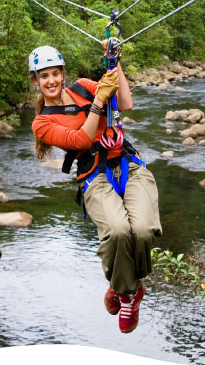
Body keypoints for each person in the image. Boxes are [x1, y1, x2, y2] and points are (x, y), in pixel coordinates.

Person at [30, 44, 162, 334]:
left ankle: (122, 288)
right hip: (94, 173)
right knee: (117, 231)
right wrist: (98, 104)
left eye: (55, 74)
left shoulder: (85, 87)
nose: (51, 81)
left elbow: (124, 104)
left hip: (129, 163)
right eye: (44, 76)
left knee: (141, 231)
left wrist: (116, 64)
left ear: (63, 74)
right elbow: (80, 140)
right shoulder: (43, 122)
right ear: (36, 81)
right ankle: (128, 293)